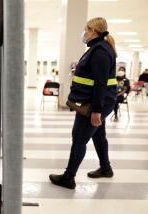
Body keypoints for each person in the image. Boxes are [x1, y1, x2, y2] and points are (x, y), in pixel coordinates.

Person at [49, 17, 117, 189]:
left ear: (93, 31)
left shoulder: (100, 51)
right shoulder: (97, 49)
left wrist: (96, 111)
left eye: (86, 29)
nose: (84, 33)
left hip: (93, 103)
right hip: (97, 101)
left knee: (79, 138)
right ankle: (106, 168)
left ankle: (68, 177)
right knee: (98, 134)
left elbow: (101, 83)